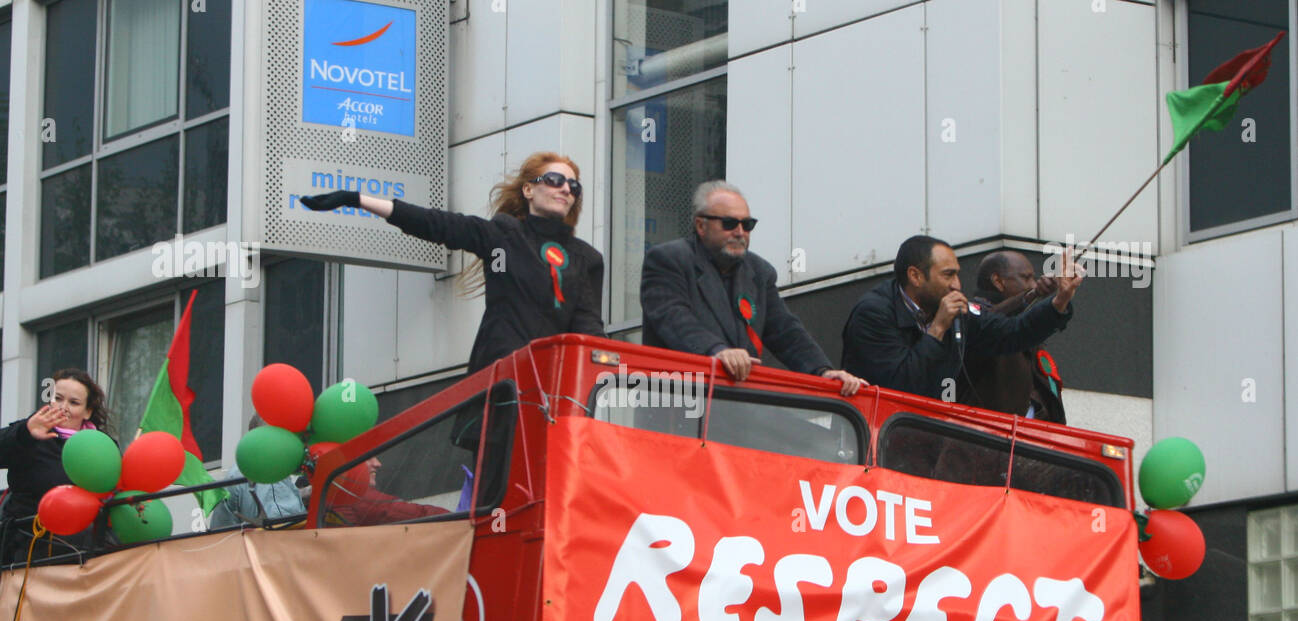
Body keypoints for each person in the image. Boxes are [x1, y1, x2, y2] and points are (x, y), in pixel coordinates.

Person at [299, 152, 605, 373]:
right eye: (555, 180)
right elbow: (436, 223)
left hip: (555, 387)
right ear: (528, 190)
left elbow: (589, 330)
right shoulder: (502, 236)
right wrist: (357, 199)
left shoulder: (586, 259)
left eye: (573, 186)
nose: (566, 189)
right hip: (502, 380)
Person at [639, 181, 863, 396]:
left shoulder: (759, 271)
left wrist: (823, 371)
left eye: (747, 225)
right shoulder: (668, 260)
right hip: (678, 404)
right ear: (701, 225)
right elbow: (674, 319)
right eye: (729, 223)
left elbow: (786, 331)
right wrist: (717, 351)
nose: (740, 232)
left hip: (740, 408)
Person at [840, 235, 1083, 400]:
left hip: (928, 438)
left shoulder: (954, 310)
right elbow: (900, 386)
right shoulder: (873, 314)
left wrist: (1059, 301)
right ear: (915, 276)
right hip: (874, 441)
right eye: (947, 275)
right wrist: (937, 329)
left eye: (957, 275)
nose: (956, 285)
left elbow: (1012, 333)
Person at [0, 368, 112, 563]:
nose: (63, 407)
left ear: (88, 412)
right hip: (29, 552)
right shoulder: (28, 433)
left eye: (74, 402)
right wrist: (26, 432)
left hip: (85, 555)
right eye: (58, 398)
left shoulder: (102, 446)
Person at [956, 251, 1068, 423]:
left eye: (1034, 279)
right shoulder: (969, 319)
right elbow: (992, 323)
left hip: (1029, 443)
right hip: (984, 440)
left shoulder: (1025, 330)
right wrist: (1032, 294)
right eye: (1026, 278)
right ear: (998, 281)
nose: (1033, 283)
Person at [209, 415, 307, 528]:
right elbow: (283, 523)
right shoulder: (265, 467)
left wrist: (306, 494)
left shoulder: (242, 469)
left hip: (231, 543)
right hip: (271, 543)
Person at [332, 458, 449, 526]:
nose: (377, 463)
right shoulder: (356, 497)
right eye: (367, 458)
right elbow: (417, 514)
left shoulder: (331, 493)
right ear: (347, 463)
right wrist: (457, 518)